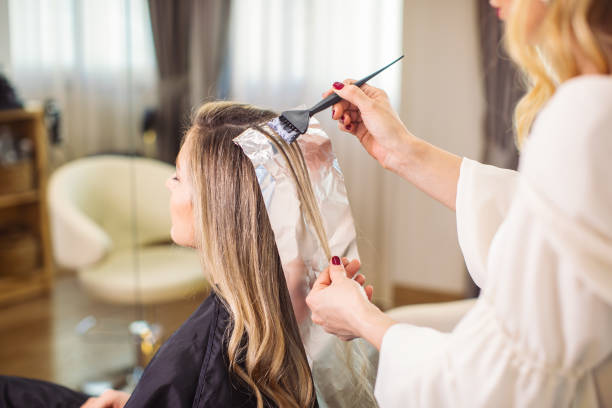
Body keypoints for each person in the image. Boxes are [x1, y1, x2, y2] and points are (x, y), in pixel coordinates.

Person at [306, 0, 612, 406]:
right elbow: (541, 222)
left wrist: (363, 318)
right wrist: (402, 151)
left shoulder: (587, 114)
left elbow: (495, 386)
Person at [5, 102, 380, 407]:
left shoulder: (207, 355)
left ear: (218, 207)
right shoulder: (296, 307)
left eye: (179, 176)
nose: (168, 184)